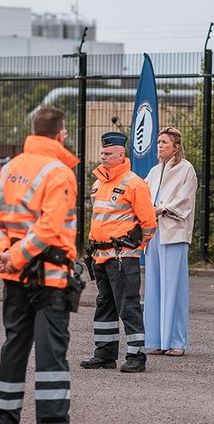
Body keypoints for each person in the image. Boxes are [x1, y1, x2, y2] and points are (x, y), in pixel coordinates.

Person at [0, 105, 96, 424]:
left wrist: (4, 256)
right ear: (61, 135)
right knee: (51, 349)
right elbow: (48, 229)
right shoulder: (58, 173)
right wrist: (16, 256)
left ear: (33, 131)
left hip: (14, 276)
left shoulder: (8, 169)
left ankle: (6, 421)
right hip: (48, 276)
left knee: (14, 344)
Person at [80, 131, 157, 373]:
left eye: (108, 153)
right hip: (100, 256)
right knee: (105, 305)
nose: (103, 156)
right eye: (102, 153)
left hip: (122, 257)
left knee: (128, 306)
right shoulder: (99, 182)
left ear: (121, 154)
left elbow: (149, 223)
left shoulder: (134, 183)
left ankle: (136, 356)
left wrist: (134, 248)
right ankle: (104, 354)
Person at [143, 127, 197, 357]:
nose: (160, 146)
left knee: (173, 288)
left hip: (174, 232)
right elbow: (142, 193)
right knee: (154, 286)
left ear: (176, 146)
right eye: (158, 142)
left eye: (164, 142)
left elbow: (185, 201)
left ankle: (176, 340)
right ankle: (155, 339)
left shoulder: (186, 170)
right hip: (154, 234)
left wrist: (162, 209)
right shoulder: (155, 171)